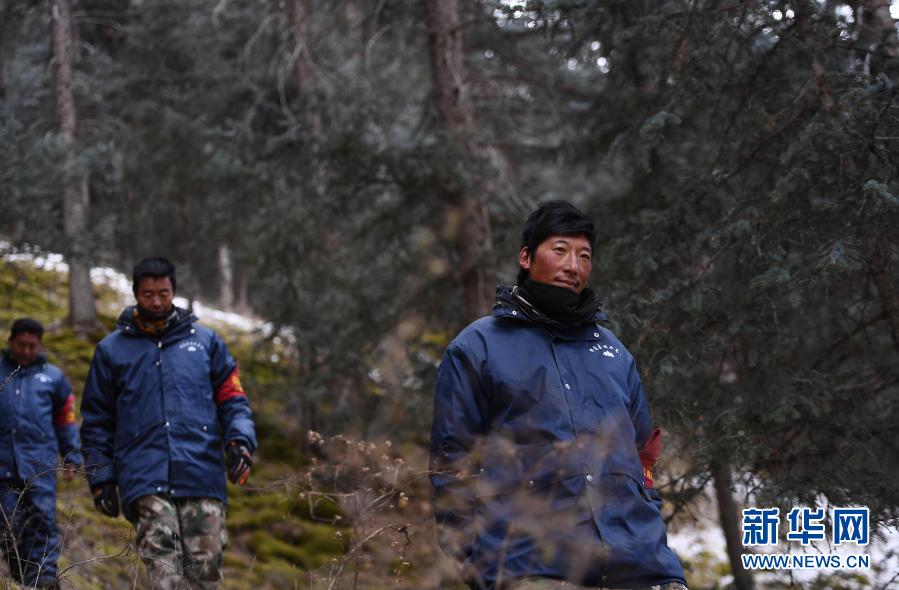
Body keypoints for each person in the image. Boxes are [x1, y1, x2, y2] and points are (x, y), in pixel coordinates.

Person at [429, 201, 688, 590]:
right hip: (533, 569)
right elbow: (451, 470)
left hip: (641, 569)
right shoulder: (478, 347)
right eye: (560, 250)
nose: (573, 266)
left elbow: (643, 460)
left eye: (584, 256)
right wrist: (481, 568)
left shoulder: (614, 353)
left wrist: (650, 536)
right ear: (526, 257)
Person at [80, 257, 257, 589]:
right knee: (166, 575)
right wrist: (101, 479)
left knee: (204, 576)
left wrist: (240, 443)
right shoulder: (111, 351)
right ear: (136, 294)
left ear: (173, 291)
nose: (157, 302)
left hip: (201, 474)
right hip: (143, 476)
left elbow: (233, 400)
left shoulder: (207, 343)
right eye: (148, 294)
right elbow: (97, 421)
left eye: (163, 293)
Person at [0, 318, 82, 589]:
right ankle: (19, 577)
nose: (26, 351)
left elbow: (65, 420)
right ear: (10, 342)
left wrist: (71, 456)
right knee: (8, 527)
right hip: (3, 468)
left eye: (32, 346)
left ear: (40, 345)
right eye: (21, 345)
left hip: (40, 468)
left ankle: (44, 581)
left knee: (42, 526)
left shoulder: (53, 378)